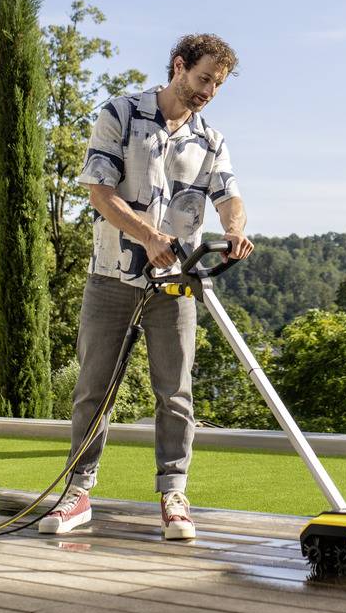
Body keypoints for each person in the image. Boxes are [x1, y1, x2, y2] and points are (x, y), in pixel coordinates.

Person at [39, 33, 254, 540]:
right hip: (112, 274)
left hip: (177, 282)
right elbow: (99, 191)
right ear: (179, 66)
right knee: (94, 389)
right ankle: (78, 492)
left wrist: (236, 231)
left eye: (217, 85)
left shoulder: (211, 140)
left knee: (176, 394)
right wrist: (148, 235)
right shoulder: (121, 113)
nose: (209, 91)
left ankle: (174, 495)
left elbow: (229, 196)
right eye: (204, 79)